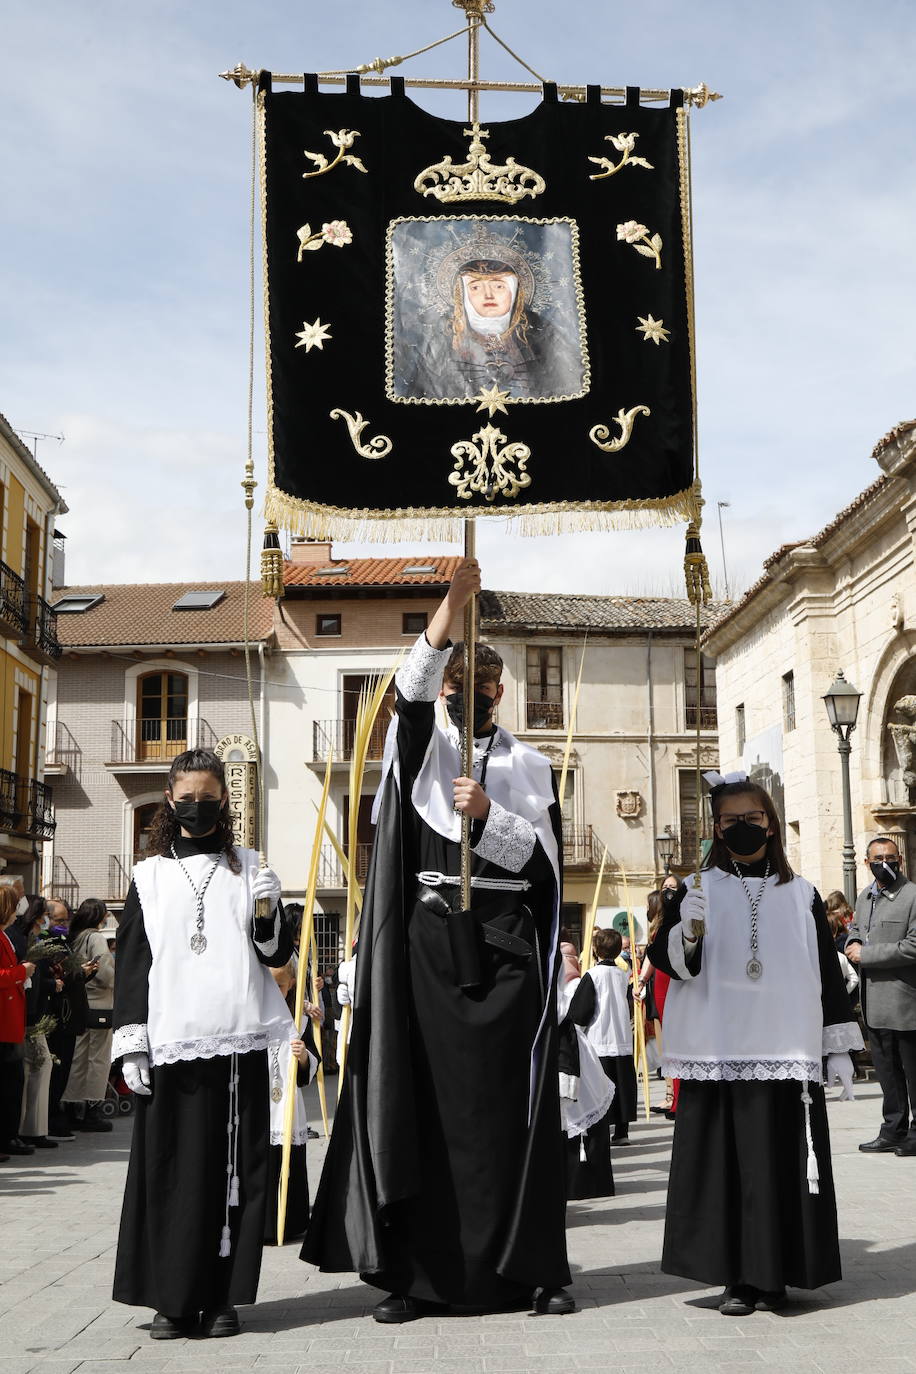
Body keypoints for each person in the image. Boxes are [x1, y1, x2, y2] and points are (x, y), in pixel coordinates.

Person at [303, 559, 573, 1321]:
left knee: (509, 1112)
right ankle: (417, 1277)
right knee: (422, 1101)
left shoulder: (532, 766)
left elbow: (542, 871)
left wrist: (491, 815)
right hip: (428, 950)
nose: (464, 691)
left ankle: (530, 1271)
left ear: (499, 690)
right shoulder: (419, 747)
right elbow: (408, 694)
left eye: (479, 682)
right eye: (455, 681)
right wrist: (448, 609)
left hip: (505, 948)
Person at [646, 771, 862, 1317]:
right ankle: (737, 1279)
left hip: (785, 1048)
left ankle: (777, 1276)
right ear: (716, 830)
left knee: (776, 1165)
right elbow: (670, 966)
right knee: (728, 1167)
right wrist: (687, 933)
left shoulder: (804, 894)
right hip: (718, 1051)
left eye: (753, 819)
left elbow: (826, 973)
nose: (742, 828)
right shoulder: (697, 889)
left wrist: (837, 1045)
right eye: (730, 822)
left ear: (770, 823)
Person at [111, 748, 293, 1339]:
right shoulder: (148, 876)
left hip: (236, 1046)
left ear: (225, 798)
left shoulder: (250, 866)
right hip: (169, 1045)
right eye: (185, 798)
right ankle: (171, 1298)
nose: (197, 807)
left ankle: (221, 1299)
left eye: (207, 797)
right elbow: (135, 963)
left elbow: (277, 956)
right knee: (170, 1172)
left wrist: (270, 913)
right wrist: (132, 1042)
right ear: (169, 800)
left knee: (231, 1174)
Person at [394, 244, 582, 402]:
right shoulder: (444, 335)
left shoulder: (539, 332)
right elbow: (425, 390)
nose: (488, 295)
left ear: (515, 291)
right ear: (463, 296)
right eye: (475, 287)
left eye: (499, 286)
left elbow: (565, 385)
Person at [845, 836, 916, 1155]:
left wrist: (867, 954)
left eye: (890, 858)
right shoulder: (865, 896)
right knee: (887, 1074)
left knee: (913, 1073)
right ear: (866, 863)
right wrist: (852, 944)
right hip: (873, 1003)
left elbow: (913, 946)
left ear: (899, 860)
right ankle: (893, 1129)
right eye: (877, 859)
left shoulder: (912, 895)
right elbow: (857, 930)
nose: (884, 864)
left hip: (905, 1002)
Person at [565, 928, 636, 1146]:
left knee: (602, 1087)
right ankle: (622, 1131)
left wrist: (575, 1027)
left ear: (595, 949)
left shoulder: (593, 975)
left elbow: (582, 1009)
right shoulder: (622, 975)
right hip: (622, 1037)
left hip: (600, 1038)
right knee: (622, 1085)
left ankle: (604, 1128)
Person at [62, 899, 115, 1134]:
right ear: (99, 916)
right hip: (100, 1004)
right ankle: (93, 1109)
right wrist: (117, 980)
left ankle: (72, 1107)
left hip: (79, 1004)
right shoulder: (96, 938)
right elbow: (104, 972)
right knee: (98, 1060)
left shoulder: (75, 937)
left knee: (78, 1058)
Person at [0, 884, 35, 1160]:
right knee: (7, 1084)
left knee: (12, 1083)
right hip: (3, 1020)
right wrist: (20, 971)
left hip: (10, 1019)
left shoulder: (4, 936)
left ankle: (8, 1136)